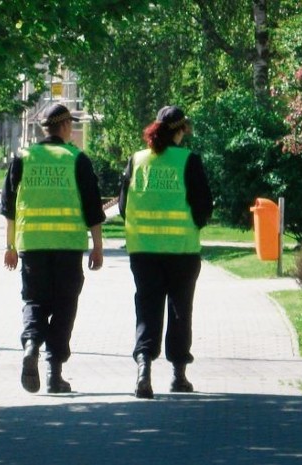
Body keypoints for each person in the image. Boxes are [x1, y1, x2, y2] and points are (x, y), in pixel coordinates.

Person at [0, 103, 105, 394]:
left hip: (31, 246)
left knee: (34, 301)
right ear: (66, 126)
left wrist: (9, 246)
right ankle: (54, 373)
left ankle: (31, 344)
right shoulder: (76, 159)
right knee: (64, 306)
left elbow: (9, 208)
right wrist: (98, 247)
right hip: (68, 247)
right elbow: (93, 208)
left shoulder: (23, 158)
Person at [119, 105, 213, 399]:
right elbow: (203, 205)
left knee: (147, 309)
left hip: (143, 251)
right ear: (181, 130)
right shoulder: (188, 161)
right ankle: (178, 375)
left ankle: (143, 369)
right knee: (180, 310)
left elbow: (122, 206)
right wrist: (194, 224)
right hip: (181, 250)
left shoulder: (137, 160)